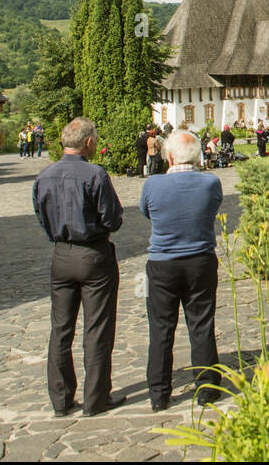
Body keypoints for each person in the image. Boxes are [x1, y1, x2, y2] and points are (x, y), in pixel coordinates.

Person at [32, 118, 125, 418]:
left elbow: (42, 217)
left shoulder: (44, 176)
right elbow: (112, 219)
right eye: (95, 140)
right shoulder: (95, 175)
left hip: (61, 254)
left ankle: (61, 399)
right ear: (88, 143)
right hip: (93, 255)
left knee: (60, 329)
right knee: (97, 329)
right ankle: (96, 398)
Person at [140, 130, 224, 411]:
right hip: (199, 259)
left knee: (161, 328)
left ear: (170, 156)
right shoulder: (210, 183)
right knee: (201, 324)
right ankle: (207, 388)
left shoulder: (153, 185)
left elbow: (146, 212)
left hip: (163, 261)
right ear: (199, 156)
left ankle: (159, 394)